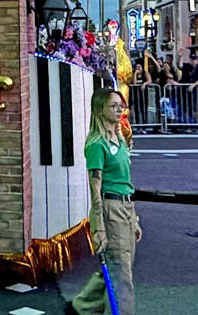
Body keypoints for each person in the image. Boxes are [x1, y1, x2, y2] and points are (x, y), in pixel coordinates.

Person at [65, 88, 141, 315]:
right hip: (110, 208)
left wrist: (134, 218)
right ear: (100, 109)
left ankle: (82, 306)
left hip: (126, 207)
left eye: (121, 105)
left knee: (119, 265)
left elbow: (126, 180)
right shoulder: (96, 144)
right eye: (113, 106)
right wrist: (98, 227)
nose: (119, 109)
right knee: (122, 275)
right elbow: (95, 189)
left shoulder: (119, 139)